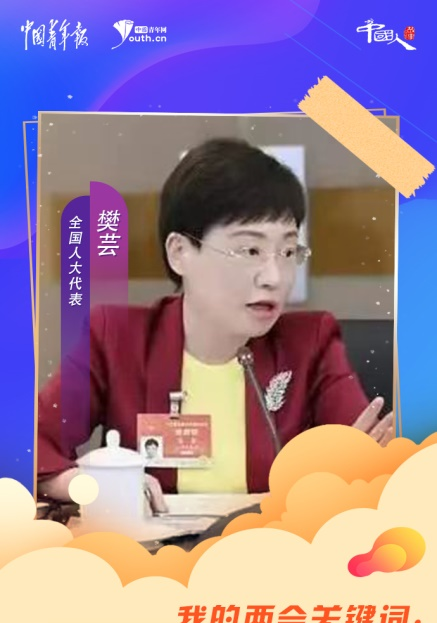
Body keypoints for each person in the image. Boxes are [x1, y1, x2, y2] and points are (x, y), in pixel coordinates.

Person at [38, 138, 393, 510]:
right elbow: (29, 449)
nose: (274, 277)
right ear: (180, 253)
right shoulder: (116, 338)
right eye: (250, 250)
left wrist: (348, 476)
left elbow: (362, 465)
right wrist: (92, 487)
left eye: (288, 251)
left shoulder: (310, 343)